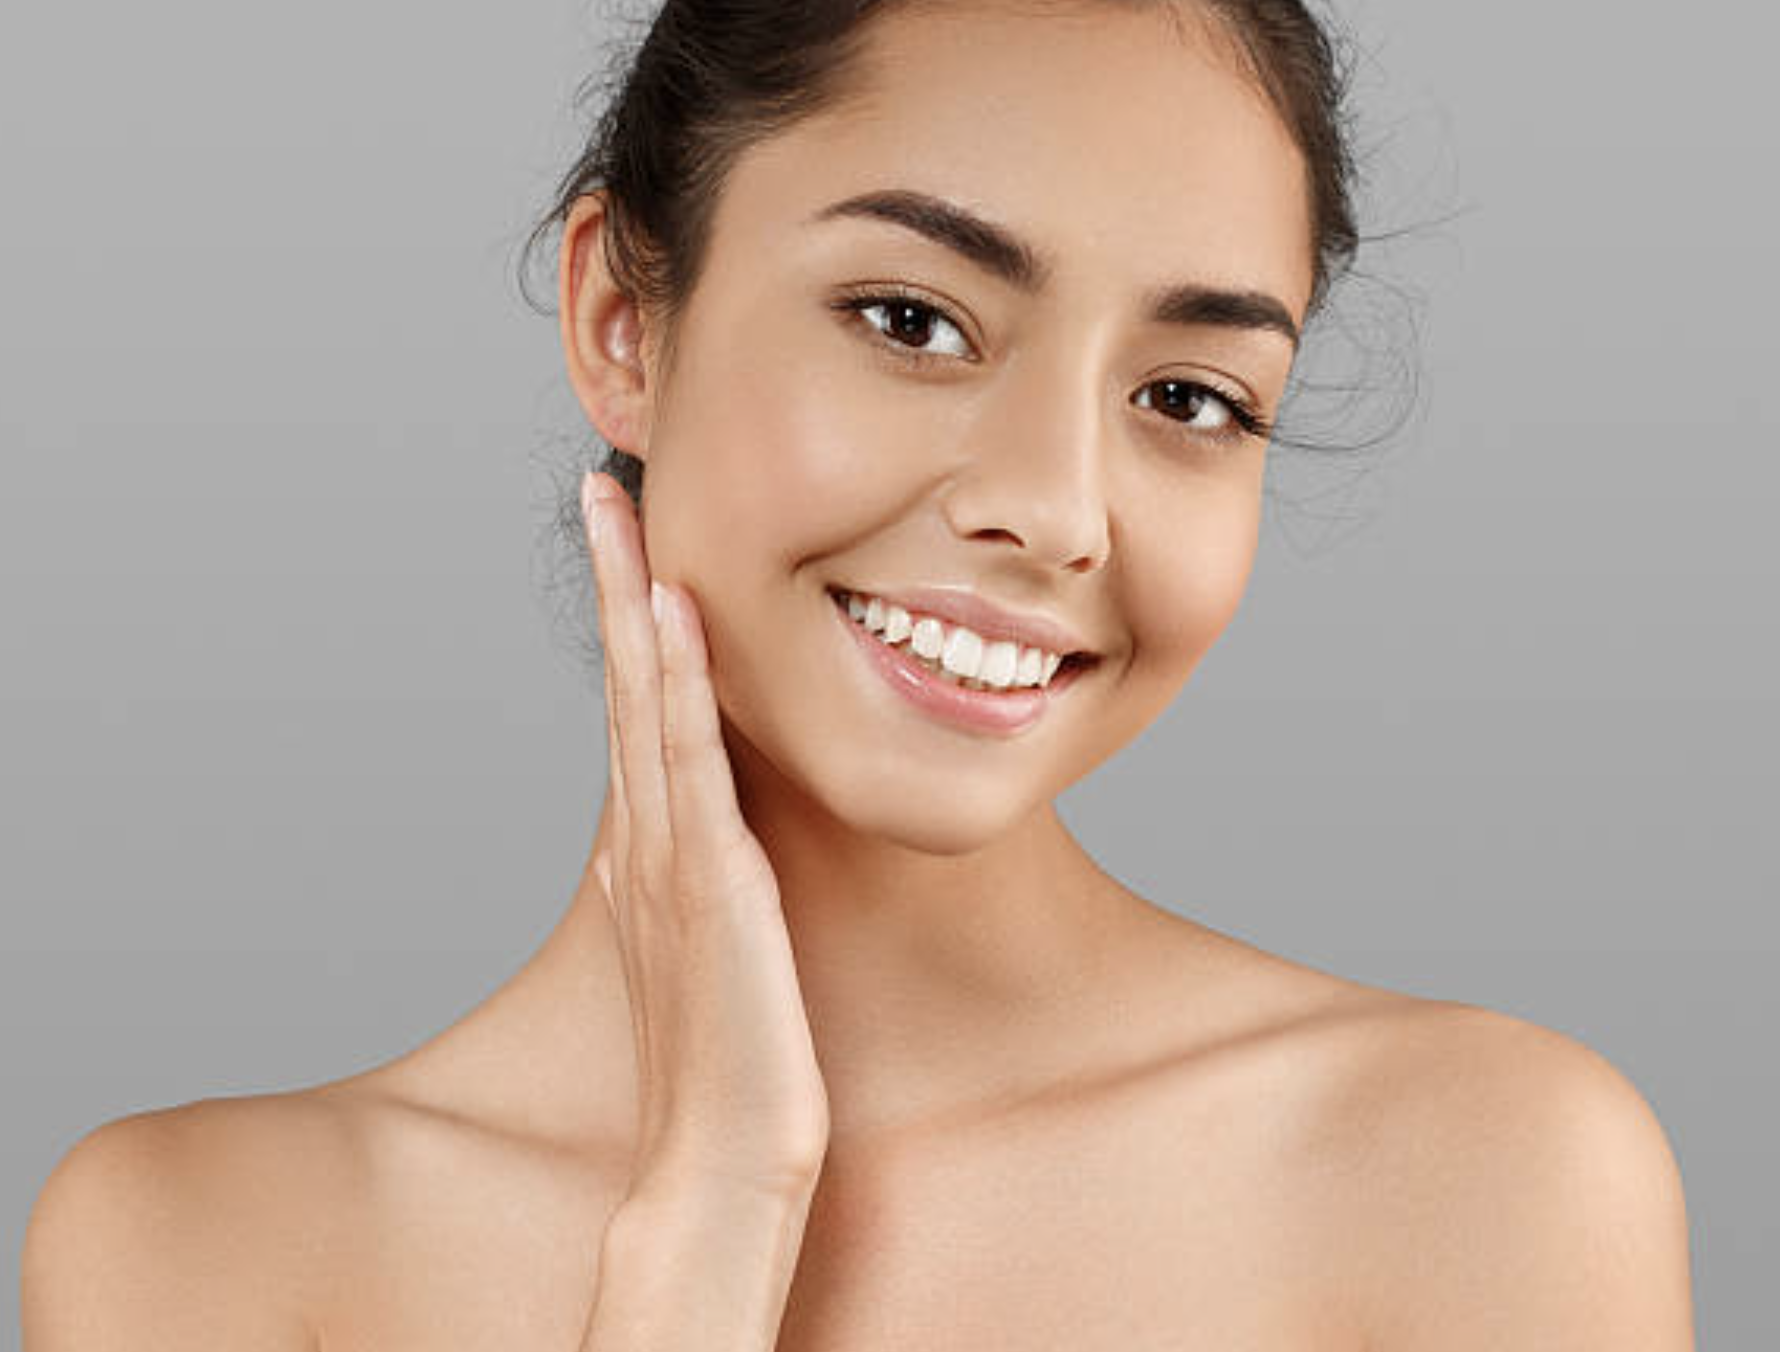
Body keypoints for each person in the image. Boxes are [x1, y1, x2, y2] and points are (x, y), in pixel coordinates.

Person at [23, 1, 1696, 1348]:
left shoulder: (1487, 1178)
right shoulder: (199, 1255)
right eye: (914, 319)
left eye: (1191, 398)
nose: (1052, 509)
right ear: (623, 318)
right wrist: (709, 1221)